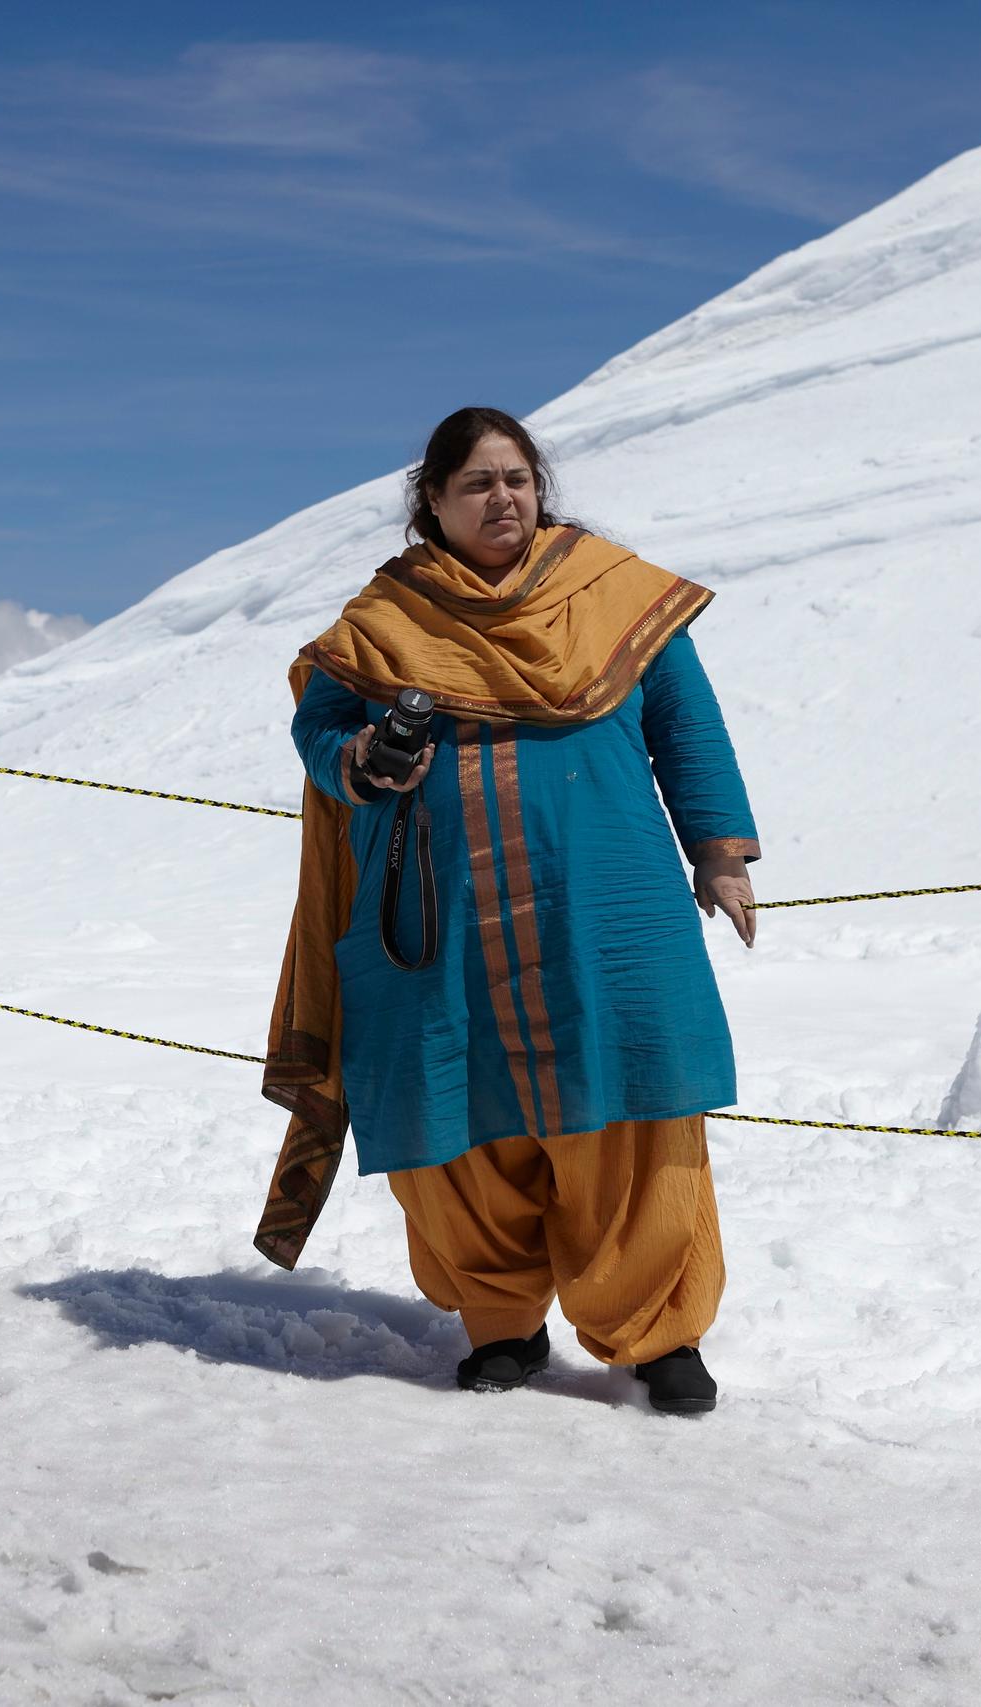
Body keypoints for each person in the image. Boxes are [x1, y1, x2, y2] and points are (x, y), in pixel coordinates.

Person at [256, 406, 759, 1415]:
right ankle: (500, 1324)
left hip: (608, 909)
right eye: (478, 483)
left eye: (517, 478)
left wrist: (720, 852)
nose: (503, 498)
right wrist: (358, 760)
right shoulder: (380, 623)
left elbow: (684, 723)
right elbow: (321, 731)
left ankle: (659, 1336)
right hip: (435, 923)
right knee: (460, 1121)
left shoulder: (613, 596)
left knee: (633, 1113)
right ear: (431, 505)